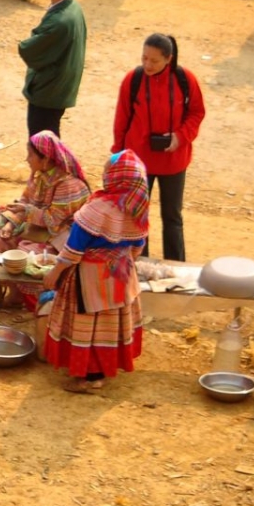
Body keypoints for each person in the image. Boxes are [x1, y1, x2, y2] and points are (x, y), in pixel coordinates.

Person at [40, 150, 149, 392]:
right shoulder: (138, 209)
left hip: (90, 279)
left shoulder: (97, 209)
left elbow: (73, 249)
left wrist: (54, 274)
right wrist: (120, 262)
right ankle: (104, 369)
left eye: (106, 172)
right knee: (109, 328)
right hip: (121, 276)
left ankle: (90, 378)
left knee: (88, 328)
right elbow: (136, 248)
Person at [111, 34, 204, 261]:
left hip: (174, 161)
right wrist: (117, 155)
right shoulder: (133, 80)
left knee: (172, 217)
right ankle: (140, 264)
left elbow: (197, 112)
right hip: (139, 162)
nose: (147, 65)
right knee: (137, 216)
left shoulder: (185, 79)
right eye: (144, 58)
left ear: (168, 60)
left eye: (154, 61)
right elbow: (122, 119)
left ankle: (177, 267)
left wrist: (180, 137)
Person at [16, 0, 87, 138]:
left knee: (42, 143)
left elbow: (28, 49)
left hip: (49, 91)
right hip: (61, 87)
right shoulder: (73, 8)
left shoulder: (58, 21)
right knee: (50, 138)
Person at [0, 131, 90, 253]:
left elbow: (53, 221)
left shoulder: (67, 185)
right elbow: (25, 202)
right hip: (39, 228)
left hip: (62, 234)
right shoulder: (39, 176)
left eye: (30, 155)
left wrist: (27, 210)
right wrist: (11, 225)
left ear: (45, 159)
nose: (27, 159)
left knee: (26, 253)